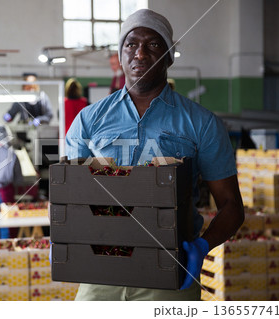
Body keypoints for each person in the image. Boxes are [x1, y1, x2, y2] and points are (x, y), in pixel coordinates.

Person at [66, 9, 244, 301]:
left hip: (169, 272)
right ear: (120, 56)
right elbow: (70, 194)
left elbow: (231, 205)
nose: (140, 53)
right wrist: (64, 237)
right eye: (131, 44)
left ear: (169, 56)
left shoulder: (201, 123)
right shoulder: (88, 121)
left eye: (153, 44)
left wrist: (201, 246)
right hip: (101, 271)